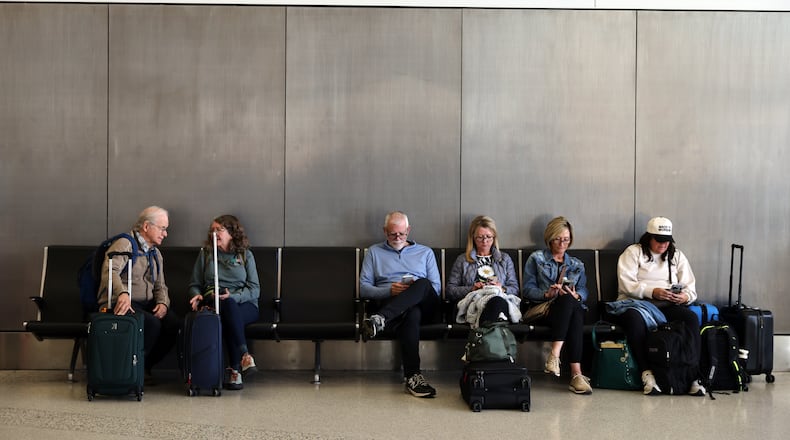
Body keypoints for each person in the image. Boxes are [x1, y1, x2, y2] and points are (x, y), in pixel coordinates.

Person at [609, 216, 703, 396]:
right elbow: (626, 284)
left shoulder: (676, 255)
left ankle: (692, 375)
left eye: (667, 241)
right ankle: (647, 373)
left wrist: (683, 297)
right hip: (636, 303)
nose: (663, 245)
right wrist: (652, 292)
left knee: (690, 318)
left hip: (668, 304)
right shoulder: (633, 252)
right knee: (635, 320)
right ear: (648, 238)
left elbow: (690, 288)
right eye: (659, 241)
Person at [360, 211, 442, 398]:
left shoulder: (425, 252)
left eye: (402, 234)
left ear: (408, 230)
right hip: (394, 304)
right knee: (410, 312)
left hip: (425, 305)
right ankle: (413, 377)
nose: (397, 238)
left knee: (423, 283)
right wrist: (390, 291)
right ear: (384, 231)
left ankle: (379, 320)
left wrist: (412, 291)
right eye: (392, 234)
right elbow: (364, 289)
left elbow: (436, 289)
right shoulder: (374, 252)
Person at [97, 206, 180, 384]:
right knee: (150, 324)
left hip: (145, 303)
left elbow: (160, 285)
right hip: (119, 301)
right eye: (162, 228)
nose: (165, 234)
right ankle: (130, 368)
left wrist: (163, 303)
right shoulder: (124, 244)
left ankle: (144, 366)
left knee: (172, 324)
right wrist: (123, 293)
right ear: (146, 226)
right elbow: (109, 273)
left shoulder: (156, 253)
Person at [188, 215, 260, 390]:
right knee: (227, 310)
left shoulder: (245, 255)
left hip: (245, 304)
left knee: (229, 309)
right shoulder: (206, 254)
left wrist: (233, 297)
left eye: (219, 229)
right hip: (215, 301)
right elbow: (194, 284)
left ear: (231, 232)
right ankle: (243, 359)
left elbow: (254, 289)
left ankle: (235, 368)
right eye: (212, 230)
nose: (214, 233)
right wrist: (196, 295)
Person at [523, 216, 592, 395]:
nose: (562, 243)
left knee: (572, 303)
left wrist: (577, 295)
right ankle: (576, 374)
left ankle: (555, 355)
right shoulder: (536, 259)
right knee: (570, 305)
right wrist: (547, 294)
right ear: (549, 238)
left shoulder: (577, 264)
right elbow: (528, 290)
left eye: (566, 239)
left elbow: (584, 290)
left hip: (570, 311)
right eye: (558, 239)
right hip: (545, 311)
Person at [447, 215, 521, 328]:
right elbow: (450, 290)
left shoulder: (504, 259)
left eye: (488, 237)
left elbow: (515, 289)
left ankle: (481, 339)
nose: (485, 241)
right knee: (495, 308)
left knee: (496, 301)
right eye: (480, 237)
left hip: (498, 299)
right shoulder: (463, 260)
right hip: (474, 301)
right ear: (473, 238)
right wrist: (472, 288)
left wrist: (502, 288)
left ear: (494, 237)